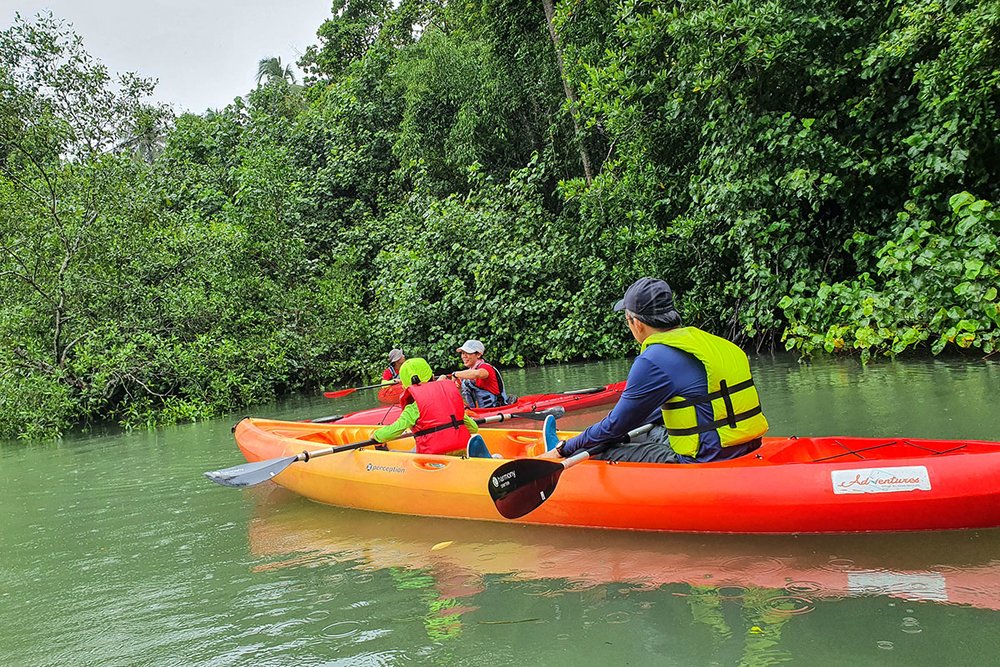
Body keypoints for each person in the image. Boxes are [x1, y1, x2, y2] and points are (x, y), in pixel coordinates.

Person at [548, 277, 768, 464]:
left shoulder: (654, 359)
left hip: (704, 460)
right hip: (746, 448)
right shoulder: (711, 342)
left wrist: (565, 449)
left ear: (637, 323)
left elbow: (615, 426)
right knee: (648, 429)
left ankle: (560, 452)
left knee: (599, 450)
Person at [372, 357, 479, 455]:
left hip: (432, 460)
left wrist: (376, 435)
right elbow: (473, 428)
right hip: (462, 453)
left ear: (405, 387)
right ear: (432, 377)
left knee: (396, 453)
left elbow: (393, 431)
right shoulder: (450, 400)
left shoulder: (414, 408)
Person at [452, 339, 511, 409]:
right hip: (480, 411)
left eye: (467, 353)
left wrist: (455, 374)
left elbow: (477, 374)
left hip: (496, 408)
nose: (463, 356)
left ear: (478, 354)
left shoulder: (486, 368)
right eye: (462, 353)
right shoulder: (468, 372)